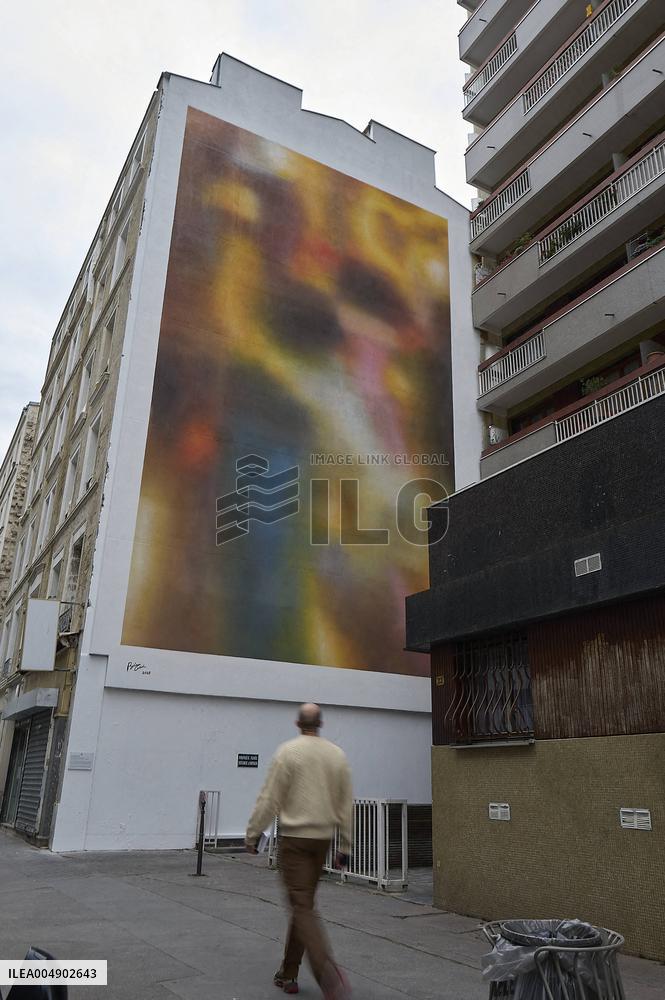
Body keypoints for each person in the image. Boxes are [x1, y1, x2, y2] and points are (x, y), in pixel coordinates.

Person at [245, 703, 353, 998]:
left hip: (294, 840)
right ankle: (288, 973)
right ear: (321, 723)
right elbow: (345, 804)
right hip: (322, 841)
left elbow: (269, 798)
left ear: (297, 722)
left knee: (302, 905)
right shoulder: (337, 755)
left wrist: (253, 833)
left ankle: (327, 973)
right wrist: (344, 845)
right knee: (302, 906)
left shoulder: (287, 752)